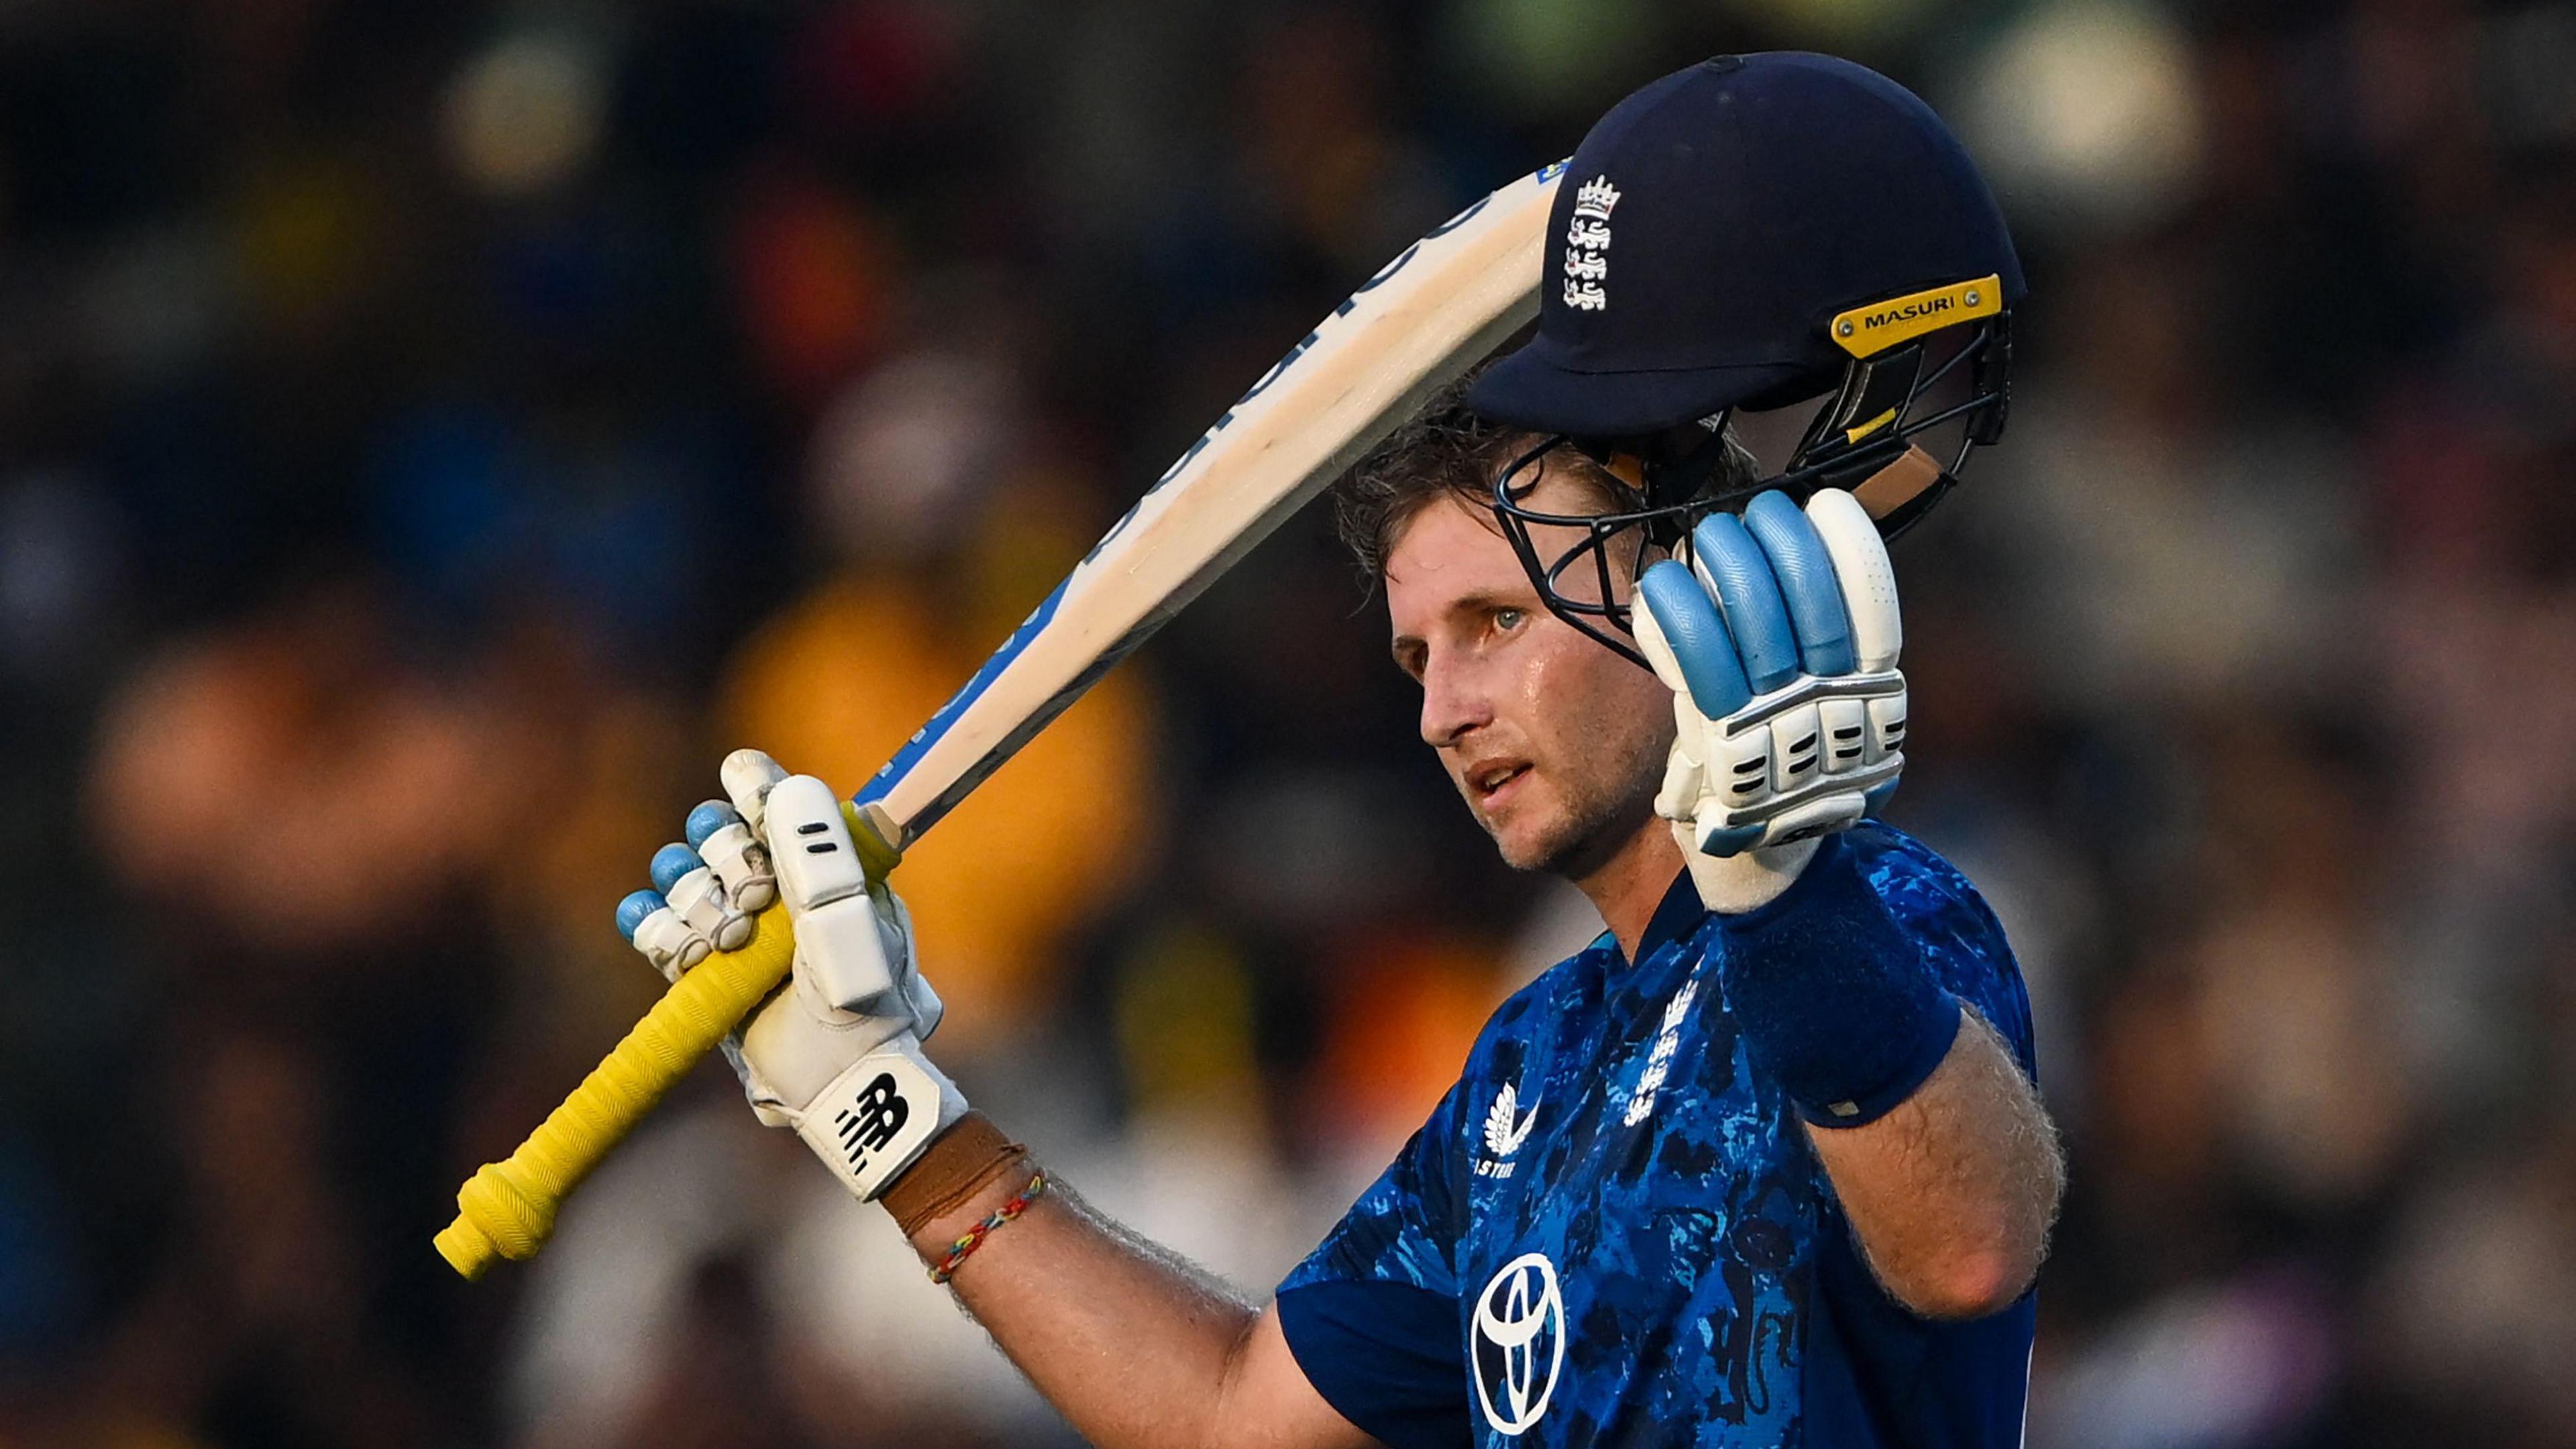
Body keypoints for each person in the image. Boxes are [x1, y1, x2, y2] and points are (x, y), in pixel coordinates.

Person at [616, 52, 2064, 1449]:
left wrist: (1786, 888)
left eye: (1498, 619)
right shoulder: (1533, 1063)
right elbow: (1230, 1413)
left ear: (1689, 581)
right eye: (1417, 656)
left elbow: (1973, 1252)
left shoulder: (1892, 911)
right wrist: (884, 1109)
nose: (1444, 710)